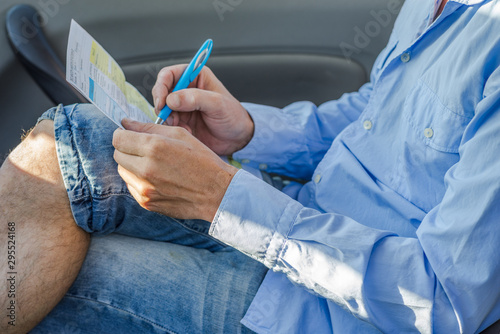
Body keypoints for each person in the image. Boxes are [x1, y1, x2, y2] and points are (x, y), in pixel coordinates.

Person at [1, 0, 500, 332]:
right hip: (301, 217)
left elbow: (444, 298)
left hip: (338, 312)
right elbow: (374, 112)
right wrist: (248, 131)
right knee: (63, 138)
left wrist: (221, 198)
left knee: (75, 276)